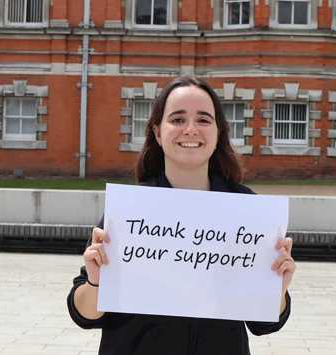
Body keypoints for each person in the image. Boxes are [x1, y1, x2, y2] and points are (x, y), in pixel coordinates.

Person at [67, 76, 296, 355]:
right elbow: (84, 314)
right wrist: (96, 282)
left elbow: (263, 324)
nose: (190, 129)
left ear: (219, 132)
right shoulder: (131, 210)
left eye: (203, 119)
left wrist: (277, 289)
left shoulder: (246, 210)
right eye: (177, 119)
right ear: (157, 132)